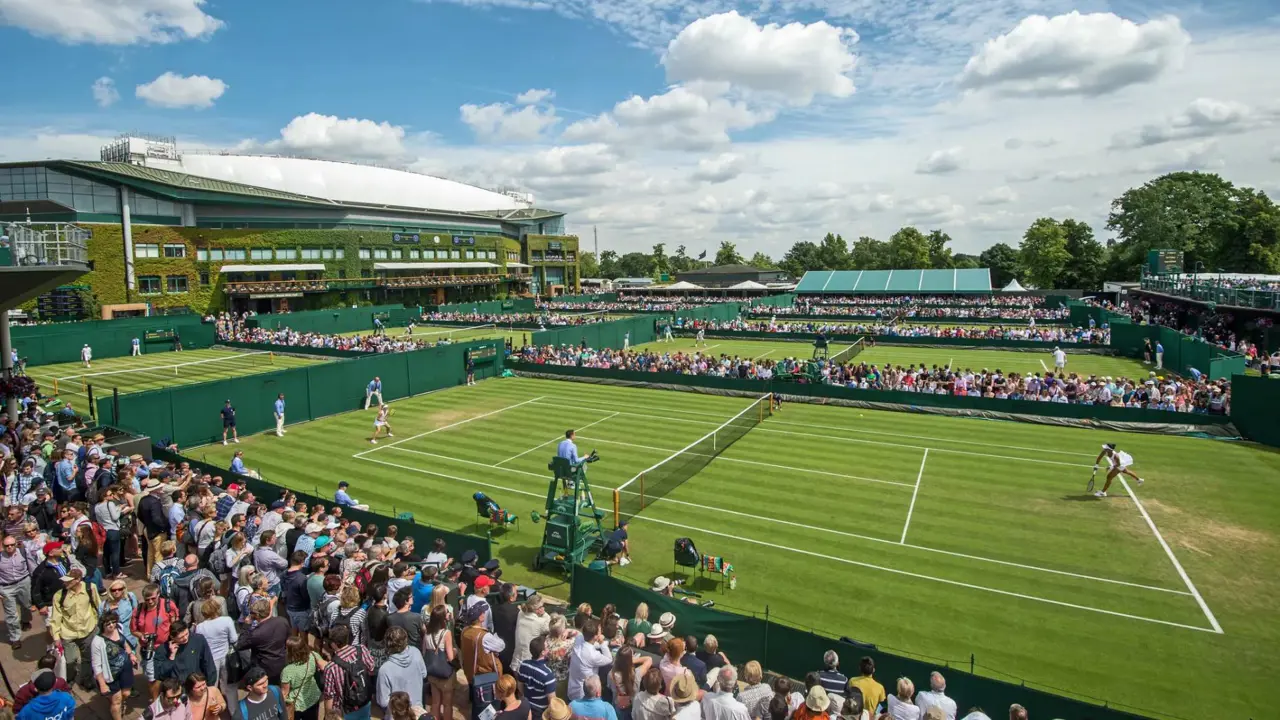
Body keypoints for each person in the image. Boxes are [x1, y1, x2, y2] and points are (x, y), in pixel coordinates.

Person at [49, 568, 100, 689]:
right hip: (68, 634)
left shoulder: (90, 588)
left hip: (88, 630)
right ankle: (70, 679)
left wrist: (98, 624)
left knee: (88, 658)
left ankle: (86, 679)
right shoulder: (59, 596)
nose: (65, 583)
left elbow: (97, 605)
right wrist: (56, 637)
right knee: (70, 661)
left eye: (69, 581)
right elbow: (55, 618)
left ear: (78, 580)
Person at [92, 610, 139, 720]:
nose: (112, 625)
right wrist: (102, 684)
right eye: (108, 623)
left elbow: (124, 643)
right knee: (116, 700)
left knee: (126, 693)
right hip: (111, 674)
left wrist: (131, 654)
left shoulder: (118, 629)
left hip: (126, 669)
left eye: (113, 622)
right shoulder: (97, 642)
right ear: (102, 624)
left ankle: (119, 702)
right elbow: (96, 665)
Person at [376, 626, 426, 711]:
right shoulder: (416, 652)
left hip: (397, 715)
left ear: (387, 644)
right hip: (417, 711)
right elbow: (424, 674)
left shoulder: (385, 669)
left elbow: (383, 701)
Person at [0, 530, 36, 648]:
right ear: (3, 546)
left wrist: (35, 582)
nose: (9, 547)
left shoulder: (23, 552)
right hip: (6, 587)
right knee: (11, 614)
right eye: (7, 545)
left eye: (12, 545)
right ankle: (15, 637)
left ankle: (25, 620)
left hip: (23, 582)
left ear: (16, 544)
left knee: (26, 605)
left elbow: (32, 567)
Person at [421, 604, 455, 720]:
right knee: (447, 705)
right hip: (445, 674)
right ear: (443, 618)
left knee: (435, 703)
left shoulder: (427, 633)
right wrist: (455, 653)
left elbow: (424, 652)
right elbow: (450, 657)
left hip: (432, 672)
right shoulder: (446, 633)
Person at [281, 634, 326, 720]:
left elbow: (284, 693)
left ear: (290, 651)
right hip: (313, 696)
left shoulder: (287, 670)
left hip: (297, 703)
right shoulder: (313, 655)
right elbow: (325, 666)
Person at [569, 618, 614, 701]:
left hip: (572, 689)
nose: (601, 633)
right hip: (585, 695)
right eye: (600, 631)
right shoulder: (593, 655)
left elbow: (590, 643)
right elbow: (609, 659)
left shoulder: (579, 639)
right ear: (596, 636)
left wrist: (608, 643)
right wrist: (602, 642)